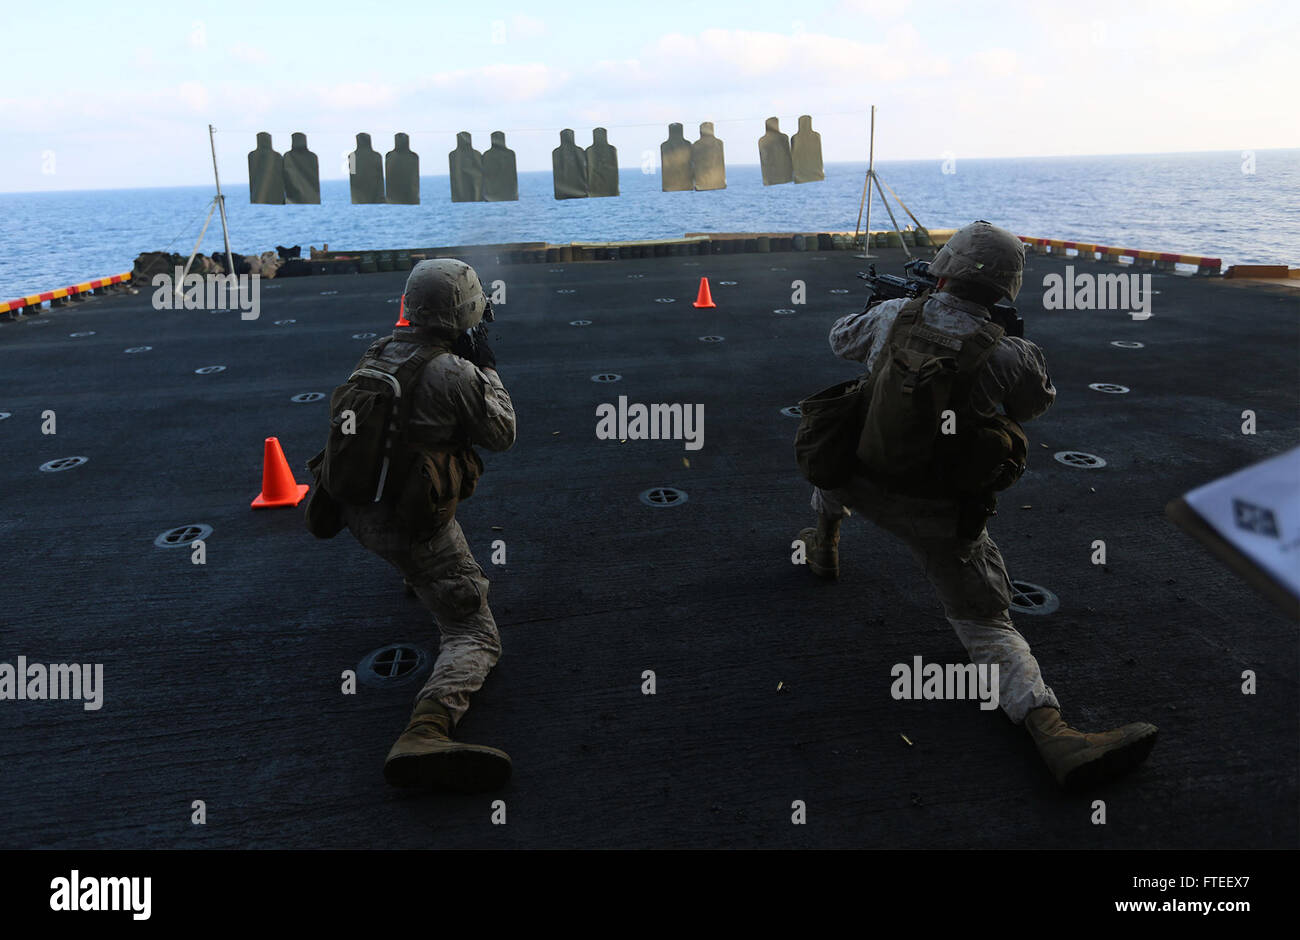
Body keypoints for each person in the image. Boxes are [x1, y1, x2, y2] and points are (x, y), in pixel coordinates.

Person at [795, 221, 1158, 790]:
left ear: (942, 271)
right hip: (937, 512)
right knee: (987, 624)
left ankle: (823, 543)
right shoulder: (1013, 353)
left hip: (861, 479)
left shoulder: (894, 318)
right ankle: (1053, 733)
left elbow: (841, 339)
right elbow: (1035, 406)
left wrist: (894, 308)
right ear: (1007, 288)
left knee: (834, 454)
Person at [339, 258, 515, 793]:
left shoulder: (377, 353)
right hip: (411, 528)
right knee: (474, 634)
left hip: (359, 509)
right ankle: (426, 730)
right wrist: (485, 368)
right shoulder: (454, 372)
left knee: (428, 472)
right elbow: (502, 432)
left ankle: (419, 578)